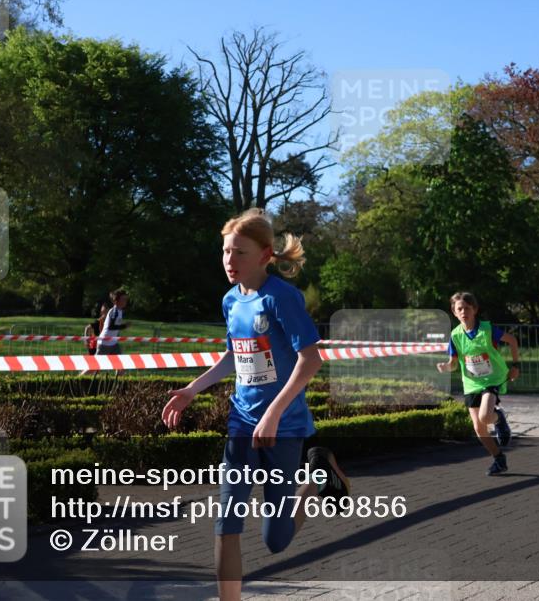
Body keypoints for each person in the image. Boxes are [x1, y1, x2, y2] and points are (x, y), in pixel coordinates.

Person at [161, 208, 349, 601]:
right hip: (241, 423)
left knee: (275, 540)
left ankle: (319, 477)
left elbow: (310, 360)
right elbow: (234, 356)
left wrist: (274, 413)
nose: (230, 260)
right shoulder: (230, 300)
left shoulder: (282, 297)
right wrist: (193, 389)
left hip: (283, 427)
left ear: (264, 255)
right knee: (226, 524)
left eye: (240, 252)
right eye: (226, 251)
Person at [436, 292, 520, 475]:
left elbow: (512, 340)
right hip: (471, 383)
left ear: (474, 310)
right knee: (478, 428)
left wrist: (516, 366)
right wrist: (445, 367)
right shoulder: (455, 336)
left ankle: (499, 419)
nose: (463, 312)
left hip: (492, 379)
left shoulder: (487, 329)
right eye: (459, 309)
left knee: (485, 416)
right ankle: (499, 459)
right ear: (454, 312)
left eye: (467, 308)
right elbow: (453, 364)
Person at [96, 289, 128, 378]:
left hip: (113, 343)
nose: (125, 301)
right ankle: (78, 380)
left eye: (126, 299)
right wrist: (124, 326)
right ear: (116, 301)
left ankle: (117, 385)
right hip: (105, 343)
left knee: (121, 366)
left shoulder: (120, 311)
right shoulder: (115, 311)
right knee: (95, 368)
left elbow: (114, 328)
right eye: (123, 299)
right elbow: (111, 327)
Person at [78, 302, 108, 378]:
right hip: (94, 346)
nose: (104, 314)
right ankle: (80, 376)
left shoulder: (108, 323)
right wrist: (85, 339)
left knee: (98, 367)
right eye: (103, 312)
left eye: (105, 312)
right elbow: (87, 328)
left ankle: (90, 378)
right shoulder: (98, 322)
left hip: (101, 346)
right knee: (94, 366)